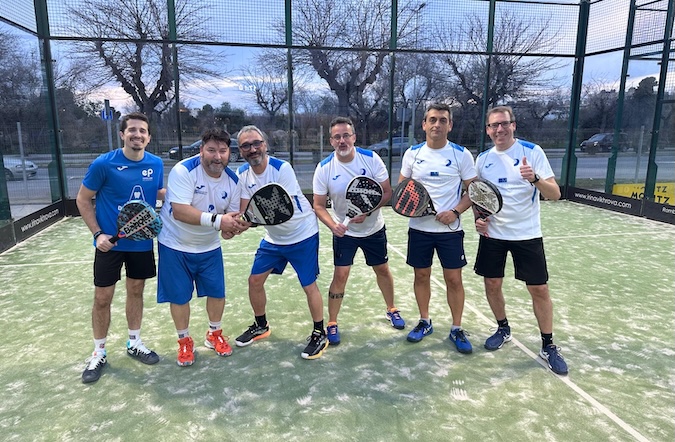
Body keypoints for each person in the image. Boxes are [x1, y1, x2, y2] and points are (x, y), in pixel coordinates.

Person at [474, 105, 568, 375]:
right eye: (494, 126)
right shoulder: (483, 159)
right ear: (488, 130)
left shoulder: (532, 152)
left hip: (527, 235)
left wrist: (535, 178)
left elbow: (555, 194)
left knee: (539, 290)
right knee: (492, 284)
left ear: (513, 125)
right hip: (494, 235)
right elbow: (480, 196)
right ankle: (503, 328)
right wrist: (478, 218)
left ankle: (548, 345)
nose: (499, 129)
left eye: (504, 124)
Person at [76, 112, 165, 384]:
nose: (137, 135)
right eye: (132, 130)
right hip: (108, 246)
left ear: (149, 137)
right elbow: (83, 199)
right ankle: (99, 351)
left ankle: (134, 342)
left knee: (136, 291)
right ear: (122, 134)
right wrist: (98, 234)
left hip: (140, 244)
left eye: (143, 131)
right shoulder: (104, 164)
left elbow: (158, 195)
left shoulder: (156, 164)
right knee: (103, 297)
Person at [233, 125, 328, 360]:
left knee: (309, 285)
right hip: (274, 238)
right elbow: (246, 210)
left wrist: (247, 222)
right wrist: (233, 225)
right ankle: (261, 325)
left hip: (302, 234)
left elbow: (276, 210)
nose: (252, 149)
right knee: (254, 281)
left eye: (256, 143)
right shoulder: (242, 174)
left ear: (265, 144)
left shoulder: (281, 168)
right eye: (246, 146)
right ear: (240, 150)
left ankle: (319, 333)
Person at [157, 129, 249, 367]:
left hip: (209, 246)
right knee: (179, 297)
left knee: (217, 293)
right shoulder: (183, 171)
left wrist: (231, 229)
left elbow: (228, 220)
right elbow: (180, 211)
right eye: (211, 150)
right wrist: (220, 222)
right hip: (174, 245)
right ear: (201, 151)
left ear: (229, 153)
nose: (217, 156)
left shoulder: (234, 181)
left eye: (222, 151)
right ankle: (184, 341)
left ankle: (214, 334)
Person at [312, 116, 404, 345]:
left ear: (353, 137)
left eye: (346, 135)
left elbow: (387, 192)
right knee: (340, 275)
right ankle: (332, 322)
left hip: (374, 228)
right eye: (337, 137)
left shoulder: (371, 158)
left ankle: (391, 309)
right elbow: (318, 205)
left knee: (382, 268)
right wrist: (333, 225)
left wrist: (370, 211)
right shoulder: (324, 168)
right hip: (345, 233)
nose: (342, 141)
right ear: (331, 141)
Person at [398, 103, 476, 353]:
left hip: (450, 232)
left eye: (443, 120)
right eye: (432, 120)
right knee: (421, 276)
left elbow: (473, 191)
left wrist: (455, 212)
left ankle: (456, 328)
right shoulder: (412, 153)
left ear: (450, 125)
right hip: (419, 230)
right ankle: (424, 321)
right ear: (424, 124)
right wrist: (416, 209)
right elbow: (403, 190)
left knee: (454, 279)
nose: (437, 125)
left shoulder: (461, 154)